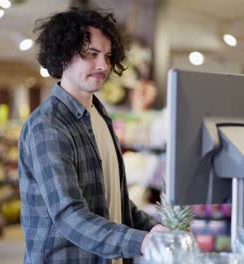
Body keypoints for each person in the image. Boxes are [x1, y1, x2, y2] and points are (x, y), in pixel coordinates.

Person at [18, 8, 167, 264]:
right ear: (64, 55)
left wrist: (156, 229)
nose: (103, 65)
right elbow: (69, 215)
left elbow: (115, 200)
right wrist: (139, 242)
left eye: (108, 56)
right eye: (91, 54)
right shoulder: (48, 126)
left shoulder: (98, 115)